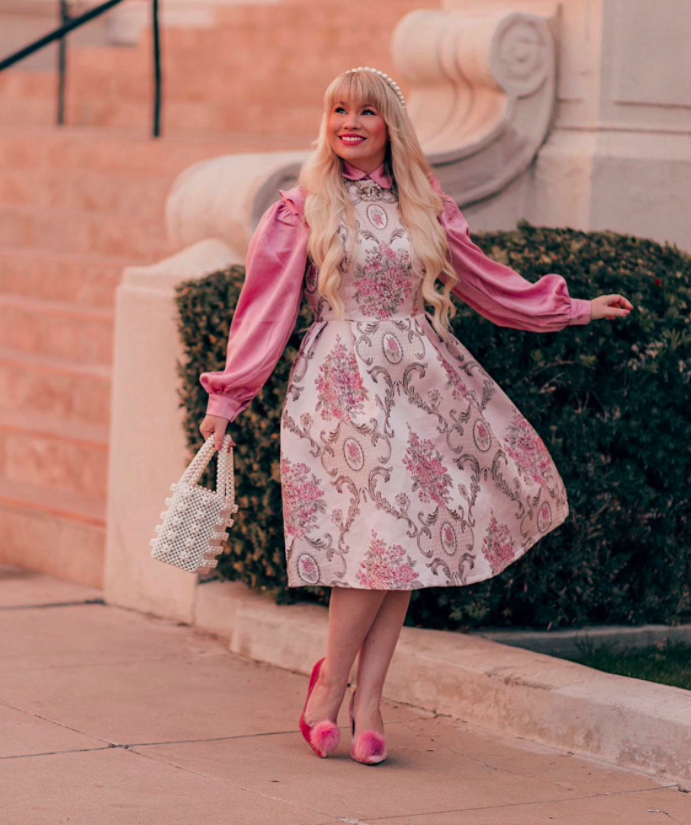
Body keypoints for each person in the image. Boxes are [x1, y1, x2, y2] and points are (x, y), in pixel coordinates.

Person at [199, 66, 633, 765]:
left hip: (418, 383)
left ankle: (366, 701)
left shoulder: (423, 202)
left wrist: (575, 308)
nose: (349, 122)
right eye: (338, 109)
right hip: (340, 388)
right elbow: (264, 311)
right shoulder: (301, 206)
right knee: (378, 539)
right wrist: (229, 397)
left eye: (366, 112)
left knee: (401, 539)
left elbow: (489, 283)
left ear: (389, 125)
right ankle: (330, 689)